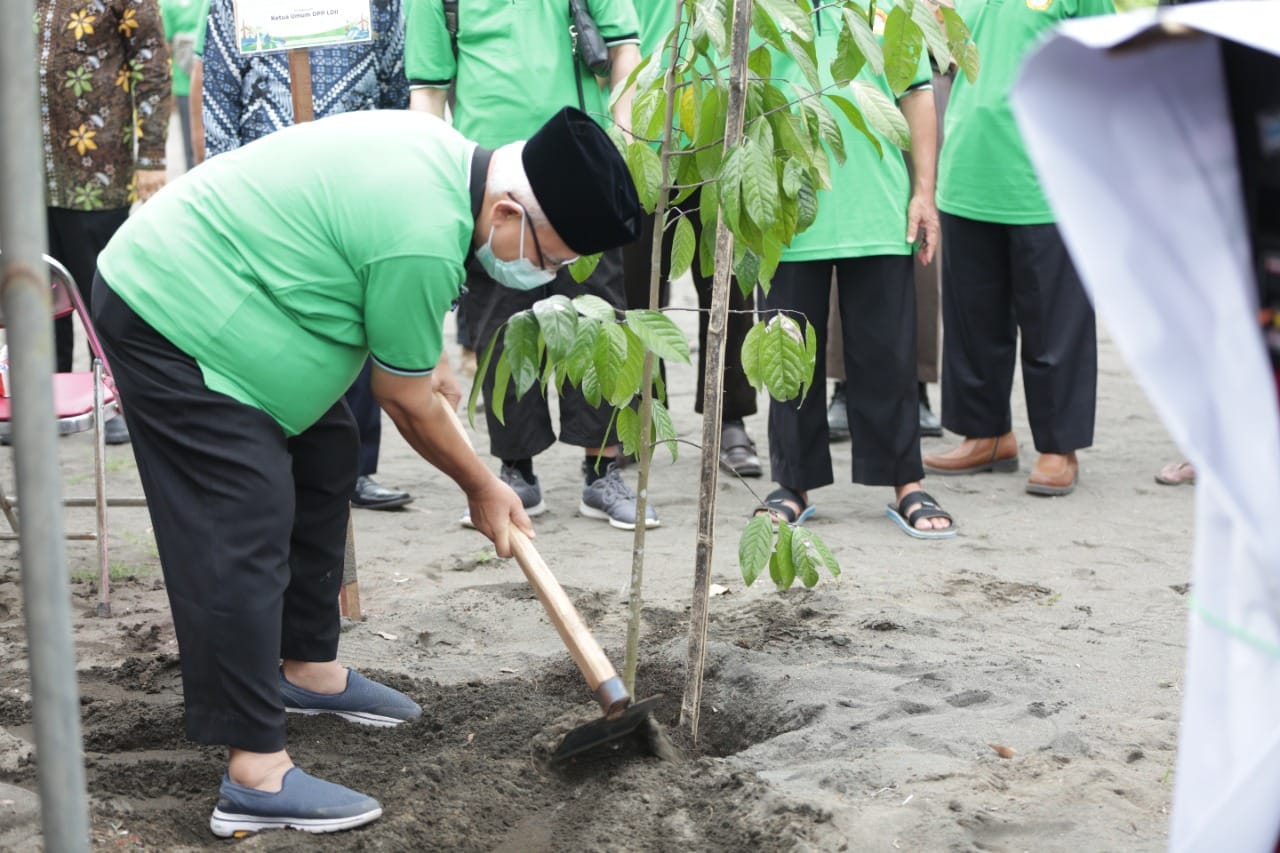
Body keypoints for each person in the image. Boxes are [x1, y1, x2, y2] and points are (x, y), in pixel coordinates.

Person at [92, 106, 641, 836]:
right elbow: (407, 402)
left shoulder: (448, 169)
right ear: (507, 210)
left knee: (327, 455)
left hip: (256, 294)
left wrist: (423, 357)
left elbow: (391, 318)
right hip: (174, 306)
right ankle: (254, 775)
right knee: (244, 510)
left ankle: (305, 668)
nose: (545, 273)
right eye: (549, 256)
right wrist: (482, 484)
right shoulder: (423, 233)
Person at [405, 0, 659, 530]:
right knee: (501, 324)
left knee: (598, 319)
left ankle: (603, 469)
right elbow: (428, 89)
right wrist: (429, 179)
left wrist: (625, 138)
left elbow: (624, 49)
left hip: (577, 167)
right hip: (485, 178)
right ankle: (514, 467)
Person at [199, 0, 414, 510]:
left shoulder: (380, 4)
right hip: (266, 188)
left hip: (354, 186)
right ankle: (274, 460)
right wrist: (227, 192)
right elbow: (220, 96)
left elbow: (396, 90)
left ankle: (357, 469)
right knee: (273, 326)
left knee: (352, 320)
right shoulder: (231, 5)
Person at [754, 4, 955, 539]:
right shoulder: (757, 11)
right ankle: (792, 483)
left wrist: (923, 194)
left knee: (889, 352)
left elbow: (916, 94)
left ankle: (906, 481)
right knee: (788, 352)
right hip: (786, 213)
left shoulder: (885, 9)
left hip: (877, 206)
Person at [922, 0, 1114, 496]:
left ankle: (1059, 446)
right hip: (967, 168)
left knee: (1055, 323)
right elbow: (937, 60)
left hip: (1045, 179)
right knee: (972, 320)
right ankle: (987, 436)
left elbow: (1105, 63)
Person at [621, 0, 762, 479]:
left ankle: (731, 420)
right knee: (635, 290)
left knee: (728, 289)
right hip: (645, 143)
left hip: (725, 144)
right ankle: (640, 412)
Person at [36, 0, 171, 445]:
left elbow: (151, 63)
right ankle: (40, 399)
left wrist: (151, 154)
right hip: (26, 175)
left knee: (102, 295)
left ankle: (117, 398)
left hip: (97, 169)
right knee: (35, 294)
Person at [160, 0, 203, 171]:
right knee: (192, 144)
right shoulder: (167, 4)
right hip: (185, 85)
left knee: (193, 144)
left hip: (201, 81)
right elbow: (165, 43)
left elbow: (166, 45)